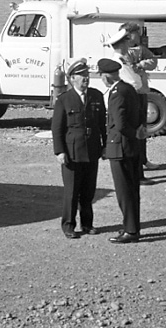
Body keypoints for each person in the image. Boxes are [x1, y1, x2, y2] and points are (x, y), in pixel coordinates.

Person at [51, 59, 107, 238]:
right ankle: (68, 225)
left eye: (87, 75)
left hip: (91, 150)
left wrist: (105, 146)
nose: (86, 79)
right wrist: (59, 151)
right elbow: (57, 128)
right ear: (72, 78)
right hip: (72, 153)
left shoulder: (96, 96)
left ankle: (87, 224)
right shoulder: (64, 100)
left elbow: (102, 125)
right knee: (71, 192)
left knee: (89, 191)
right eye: (82, 76)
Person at [98, 57, 141, 244]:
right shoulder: (128, 88)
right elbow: (139, 112)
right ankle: (132, 226)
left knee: (124, 191)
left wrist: (132, 134)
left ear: (106, 77)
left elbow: (120, 123)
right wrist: (138, 134)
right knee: (132, 189)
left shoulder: (116, 93)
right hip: (131, 146)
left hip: (120, 146)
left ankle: (130, 230)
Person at [108, 23, 158, 180]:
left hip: (140, 93)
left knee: (141, 128)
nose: (138, 37)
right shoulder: (121, 58)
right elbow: (132, 80)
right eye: (135, 34)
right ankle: (137, 171)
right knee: (134, 131)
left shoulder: (140, 49)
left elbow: (153, 61)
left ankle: (141, 162)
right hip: (132, 95)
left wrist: (142, 65)